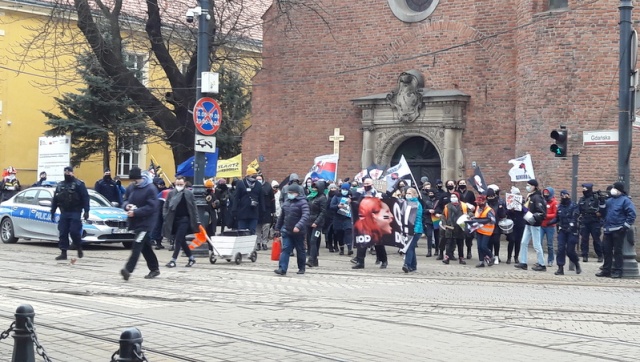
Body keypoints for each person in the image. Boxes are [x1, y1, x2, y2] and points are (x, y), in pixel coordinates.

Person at [120, 167, 161, 280]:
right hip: (135, 221)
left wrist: (136, 212)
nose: (133, 182)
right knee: (145, 247)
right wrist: (126, 206)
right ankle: (154, 269)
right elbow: (125, 200)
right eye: (132, 180)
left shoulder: (150, 189)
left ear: (141, 178)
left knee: (137, 245)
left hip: (146, 223)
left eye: (135, 180)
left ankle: (128, 270)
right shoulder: (131, 187)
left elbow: (152, 207)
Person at [596, 182, 636, 278]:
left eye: (615, 188)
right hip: (608, 229)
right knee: (607, 250)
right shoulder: (609, 200)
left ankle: (618, 270)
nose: (613, 190)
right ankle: (606, 270)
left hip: (618, 229)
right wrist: (601, 202)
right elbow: (603, 213)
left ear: (619, 190)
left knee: (617, 251)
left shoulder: (625, 201)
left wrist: (625, 226)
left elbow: (632, 214)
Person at [50, 166, 90, 261]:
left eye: (69, 172)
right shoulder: (60, 185)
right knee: (63, 232)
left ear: (72, 173)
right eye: (65, 172)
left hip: (75, 212)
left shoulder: (79, 184)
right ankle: (63, 252)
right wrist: (52, 211)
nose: (67, 174)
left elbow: (85, 197)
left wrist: (86, 210)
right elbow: (55, 199)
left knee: (74, 231)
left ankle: (78, 246)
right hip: (64, 212)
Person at [352, 178, 389, 269]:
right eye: (364, 183)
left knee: (378, 242)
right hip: (364, 221)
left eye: (368, 183)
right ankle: (360, 262)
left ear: (372, 184)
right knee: (362, 241)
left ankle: (383, 260)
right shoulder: (360, 193)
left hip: (376, 221)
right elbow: (357, 205)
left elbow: (385, 205)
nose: (366, 185)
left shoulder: (378, 193)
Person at [273, 183, 310, 276]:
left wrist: (298, 226)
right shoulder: (287, 202)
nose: (289, 194)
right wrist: (277, 228)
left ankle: (301, 267)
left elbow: (305, 216)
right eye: (289, 192)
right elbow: (282, 216)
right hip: (287, 230)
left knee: (300, 250)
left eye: (291, 192)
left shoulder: (303, 202)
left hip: (299, 232)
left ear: (297, 193)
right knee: (285, 249)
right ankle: (282, 268)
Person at [163, 176, 199, 268]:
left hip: (185, 220)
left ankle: (173, 260)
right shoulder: (171, 193)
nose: (179, 186)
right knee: (182, 241)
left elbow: (194, 208)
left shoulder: (188, 193)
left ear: (185, 184)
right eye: (177, 184)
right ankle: (191, 258)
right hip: (174, 220)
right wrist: (165, 215)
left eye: (181, 184)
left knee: (178, 239)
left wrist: (196, 220)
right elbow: (166, 205)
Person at [514, 179, 547, 271]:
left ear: (534, 186)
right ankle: (523, 262)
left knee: (536, 244)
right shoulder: (531, 196)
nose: (527, 187)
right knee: (523, 242)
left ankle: (542, 264)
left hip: (534, 223)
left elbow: (542, 212)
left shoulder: (537, 197)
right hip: (528, 222)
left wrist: (534, 216)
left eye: (529, 185)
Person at [555, 190, 582, 275]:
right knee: (560, 249)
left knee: (570, 251)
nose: (564, 197)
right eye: (562, 196)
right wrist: (548, 221)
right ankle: (560, 268)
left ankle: (576, 263)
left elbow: (575, 217)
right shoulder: (560, 207)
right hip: (562, 230)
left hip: (572, 231)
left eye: (566, 195)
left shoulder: (574, 206)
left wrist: (571, 226)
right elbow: (557, 218)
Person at [232, 167, 265, 235]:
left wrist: (263, 211)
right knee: (242, 232)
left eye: (256, 176)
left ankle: (251, 245)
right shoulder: (241, 183)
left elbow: (261, 199)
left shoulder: (258, 185)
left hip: (254, 212)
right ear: (248, 175)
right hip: (242, 212)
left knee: (252, 231)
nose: (255, 177)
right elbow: (236, 198)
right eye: (253, 175)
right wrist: (234, 210)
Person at [578, 183, 604, 263]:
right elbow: (578, 210)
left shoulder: (596, 198)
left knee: (596, 239)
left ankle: (600, 255)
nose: (583, 190)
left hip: (594, 221)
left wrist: (600, 214)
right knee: (584, 239)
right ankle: (585, 255)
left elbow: (602, 208)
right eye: (583, 189)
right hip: (585, 221)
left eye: (585, 189)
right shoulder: (582, 199)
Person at [440, 191, 468, 265]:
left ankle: (461, 258)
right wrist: (444, 223)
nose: (453, 198)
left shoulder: (463, 205)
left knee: (460, 243)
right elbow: (443, 215)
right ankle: (447, 257)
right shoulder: (447, 206)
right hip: (450, 227)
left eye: (454, 196)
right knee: (449, 243)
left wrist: (466, 217)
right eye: (452, 197)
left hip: (460, 227)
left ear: (458, 197)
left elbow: (470, 213)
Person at [306, 180, 327, 267]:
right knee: (310, 241)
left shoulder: (322, 198)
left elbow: (323, 212)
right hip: (309, 222)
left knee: (313, 240)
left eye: (316, 188)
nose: (314, 189)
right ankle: (314, 260)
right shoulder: (311, 197)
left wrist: (316, 222)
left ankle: (311, 259)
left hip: (317, 224)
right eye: (313, 187)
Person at [329, 182, 355, 256]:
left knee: (348, 230)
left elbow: (356, 205)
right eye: (343, 189)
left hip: (347, 217)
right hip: (338, 218)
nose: (344, 191)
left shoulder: (351, 196)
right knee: (339, 233)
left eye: (346, 189)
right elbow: (331, 206)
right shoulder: (336, 196)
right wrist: (338, 206)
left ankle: (350, 248)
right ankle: (342, 248)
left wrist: (351, 202)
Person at [402, 188, 423, 273]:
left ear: (414, 194)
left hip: (416, 230)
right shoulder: (405, 203)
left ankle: (407, 264)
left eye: (410, 193)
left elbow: (418, 218)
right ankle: (413, 266)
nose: (407, 194)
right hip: (407, 229)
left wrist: (415, 229)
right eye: (407, 193)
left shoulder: (417, 204)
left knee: (409, 247)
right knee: (411, 247)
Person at [472, 194, 496, 268]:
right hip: (479, 230)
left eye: (480, 202)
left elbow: (494, 221)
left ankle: (491, 256)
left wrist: (487, 220)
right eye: (477, 202)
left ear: (484, 201)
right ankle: (481, 261)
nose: (478, 203)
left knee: (483, 246)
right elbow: (477, 216)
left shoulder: (489, 210)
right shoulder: (478, 208)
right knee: (479, 246)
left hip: (487, 231)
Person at [506, 186, 526, 264]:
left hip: (520, 223)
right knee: (511, 240)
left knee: (518, 241)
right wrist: (511, 210)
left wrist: (522, 205)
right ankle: (509, 257)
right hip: (512, 223)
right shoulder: (509, 201)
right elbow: (506, 212)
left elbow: (525, 211)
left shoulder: (523, 201)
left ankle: (516, 257)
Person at [486, 187, 506, 264]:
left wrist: (501, 209)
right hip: (487, 225)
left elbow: (503, 215)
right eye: (489, 196)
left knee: (496, 241)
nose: (491, 198)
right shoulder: (486, 203)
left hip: (496, 225)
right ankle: (490, 256)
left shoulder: (499, 203)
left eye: (492, 196)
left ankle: (496, 255)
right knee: (489, 242)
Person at [256, 174, 275, 250]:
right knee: (257, 227)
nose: (258, 180)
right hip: (257, 210)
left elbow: (272, 199)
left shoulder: (268, 186)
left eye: (259, 179)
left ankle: (264, 243)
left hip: (267, 210)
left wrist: (273, 211)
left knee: (266, 227)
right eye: (257, 179)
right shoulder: (254, 186)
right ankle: (258, 243)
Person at [457, 179, 476, 259]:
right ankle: (460, 253)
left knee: (469, 235)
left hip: (468, 215)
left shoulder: (470, 193)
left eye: (463, 183)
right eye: (460, 183)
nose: (462, 184)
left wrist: (473, 209)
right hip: (459, 215)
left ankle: (469, 251)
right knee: (459, 235)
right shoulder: (456, 193)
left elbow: (474, 203)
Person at [540, 187, 558, 267]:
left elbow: (555, 214)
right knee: (539, 243)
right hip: (542, 225)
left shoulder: (554, 202)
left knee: (550, 244)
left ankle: (550, 260)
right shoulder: (543, 201)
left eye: (547, 193)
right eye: (545, 193)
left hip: (550, 226)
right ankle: (540, 260)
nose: (545, 195)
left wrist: (546, 216)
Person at [150, 177, 169, 249]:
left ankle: (159, 241)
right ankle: (155, 240)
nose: (162, 186)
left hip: (163, 211)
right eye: (160, 185)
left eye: (163, 185)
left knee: (161, 227)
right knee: (156, 226)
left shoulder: (165, 191)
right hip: (156, 211)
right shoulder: (153, 190)